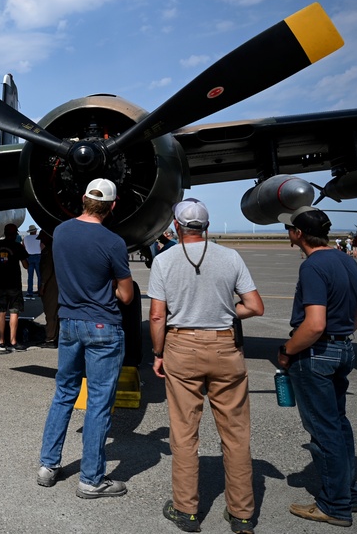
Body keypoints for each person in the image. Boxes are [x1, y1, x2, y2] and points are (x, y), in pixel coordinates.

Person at [148, 199, 264, 533]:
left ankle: (186, 511)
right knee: (236, 434)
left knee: (184, 432)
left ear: (175, 225)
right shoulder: (230, 256)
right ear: (207, 226)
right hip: (225, 345)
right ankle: (242, 514)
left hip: (181, 346)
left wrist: (158, 353)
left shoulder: (165, 260)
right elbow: (255, 306)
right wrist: (226, 312)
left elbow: (157, 315)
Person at [37, 178, 134, 499]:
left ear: (83, 199)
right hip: (102, 326)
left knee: (64, 393)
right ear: (112, 206)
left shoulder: (61, 232)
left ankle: (48, 466)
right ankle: (91, 480)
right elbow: (127, 295)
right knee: (98, 404)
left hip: (68, 323)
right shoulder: (113, 242)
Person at [277, 206, 357, 528]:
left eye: (289, 228)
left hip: (316, 355)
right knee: (339, 424)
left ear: (299, 234)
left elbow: (314, 324)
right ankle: (349, 495)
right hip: (343, 349)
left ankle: (334, 505)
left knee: (323, 430)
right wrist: (340, 336)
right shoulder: (347, 260)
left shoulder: (313, 266)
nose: (287, 232)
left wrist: (287, 351)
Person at [0, 223, 29, 352]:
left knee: (1, 311)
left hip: (0, 283)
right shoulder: (17, 246)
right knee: (14, 312)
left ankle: (1, 341)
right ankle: (13, 341)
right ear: (15, 233)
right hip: (14, 284)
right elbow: (26, 265)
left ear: (4, 233)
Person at [37, 230, 59, 348]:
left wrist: (43, 285)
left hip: (51, 286)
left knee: (50, 312)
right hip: (59, 285)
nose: (40, 242)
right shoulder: (58, 250)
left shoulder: (47, 252)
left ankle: (50, 338)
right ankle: (57, 336)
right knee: (57, 313)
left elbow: (46, 270)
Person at [22, 225, 42, 297]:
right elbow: (42, 247)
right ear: (35, 231)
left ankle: (29, 292)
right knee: (39, 275)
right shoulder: (39, 237)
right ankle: (40, 291)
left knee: (30, 276)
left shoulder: (25, 238)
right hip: (38, 256)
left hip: (29, 257)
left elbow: (23, 247)